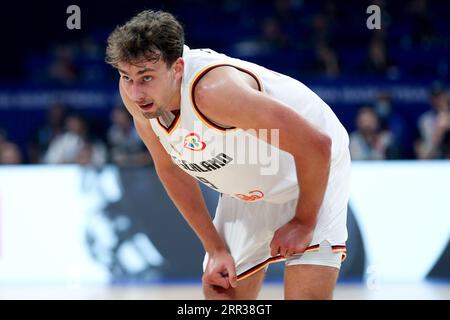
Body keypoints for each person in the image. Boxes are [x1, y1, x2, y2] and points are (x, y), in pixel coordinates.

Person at [105, 10, 351, 300]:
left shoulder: (213, 91)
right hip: (248, 190)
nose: (135, 92)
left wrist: (303, 222)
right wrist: (215, 248)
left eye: (146, 77)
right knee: (220, 292)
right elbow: (169, 168)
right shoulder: (138, 97)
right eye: (126, 77)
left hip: (308, 171)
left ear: (178, 68)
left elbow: (317, 145)